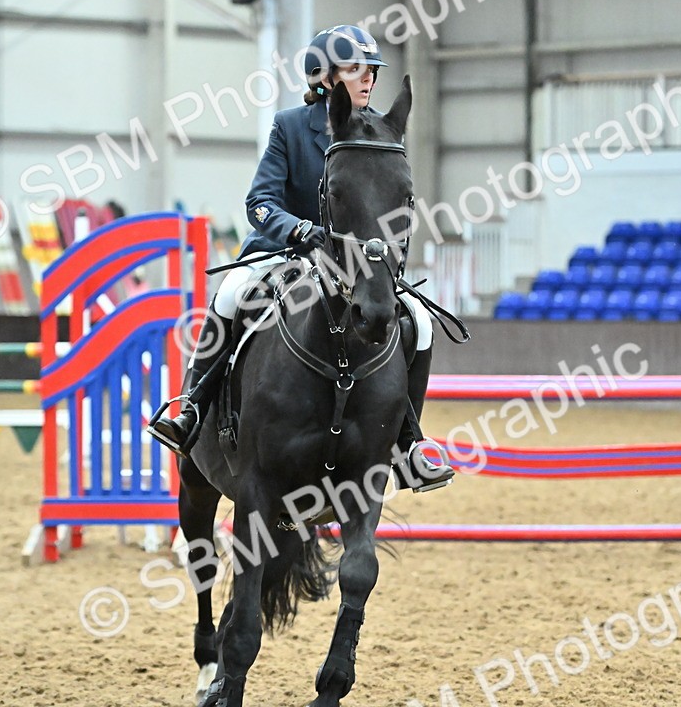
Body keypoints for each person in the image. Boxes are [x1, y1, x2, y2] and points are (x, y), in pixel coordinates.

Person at [148, 24, 453, 493]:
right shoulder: (290, 127)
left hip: (353, 264)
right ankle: (192, 408)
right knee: (231, 295)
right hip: (286, 253)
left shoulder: (380, 131)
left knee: (420, 321)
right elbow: (260, 202)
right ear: (323, 76)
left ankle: (407, 443)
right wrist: (301, 230)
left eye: (371, 69)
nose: (369, 77)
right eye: (356, 69)